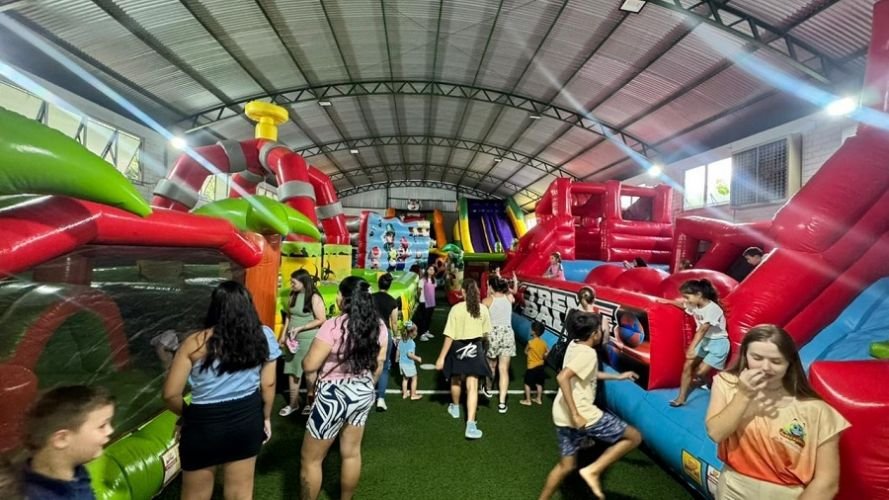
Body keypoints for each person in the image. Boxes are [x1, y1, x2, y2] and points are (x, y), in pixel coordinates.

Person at [163, 281, 280, 500]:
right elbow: (268, 385)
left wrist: (190, 416)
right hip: (247, 419)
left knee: (196, 496)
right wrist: (265, 418)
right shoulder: (263, 335)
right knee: (239, 493)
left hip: (203, 424)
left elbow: (170, 395)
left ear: (215, 307)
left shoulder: (194, 343)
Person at [706, 325, 850, 499]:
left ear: (789, 362)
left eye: (776, 361)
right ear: (745, 355)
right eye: (757, 358)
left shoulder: (817, 410)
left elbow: (827, 482)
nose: (765, 367)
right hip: (733, 487)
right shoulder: (727, 384)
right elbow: (716, 433)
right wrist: (743, 395)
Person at [300, 276, 388, 500]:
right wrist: (367, 386)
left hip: (333, 395)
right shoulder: (379, 326)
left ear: (346, 299)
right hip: (363, 391)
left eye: (339, 293)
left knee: (311, 460)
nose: (337, 298)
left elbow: (309, 365)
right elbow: (379, 364)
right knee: (351, 454)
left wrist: (311, 389)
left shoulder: (333, 325)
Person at [539, 313, 641, 500]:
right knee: (634, 437)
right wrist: (576, 414)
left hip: (561, 413)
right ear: (594, 334)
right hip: (582, 413)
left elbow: (586, 373)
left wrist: (618, 376)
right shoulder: (588, 354)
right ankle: (593, 471)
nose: (603, 333)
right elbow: (562, 377)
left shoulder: (574, 344)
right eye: (601, 330)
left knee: (566, 466)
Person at [22, 385, 114, 500]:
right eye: (102, 426)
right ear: (62, 438)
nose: (110, 431)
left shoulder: (76, 473)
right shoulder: (31, 496)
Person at [435, 279, 492, 439]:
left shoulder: (456, 309)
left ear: (463, 292)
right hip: (475, 347)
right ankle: (471, 425)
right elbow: (485, 334)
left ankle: (455, 408)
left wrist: (441, 357)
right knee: (472, 386)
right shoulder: (483, 309)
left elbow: (449, 336)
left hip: (458, 347)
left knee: (455, 379)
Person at [669, 279, 730, 407]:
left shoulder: (713, 309)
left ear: (699, 294)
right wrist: (667, 302)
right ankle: (681, 398)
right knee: (687, 367)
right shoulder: (694, 305)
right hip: (704, 341)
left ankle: (705, 380)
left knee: (699, 373)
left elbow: (702, 329)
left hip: (718, 343)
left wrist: (692, 348)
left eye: (687, 297)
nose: (685, 300)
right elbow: (684, 306)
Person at [280, 270, 327, 417]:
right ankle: (293, 403)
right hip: (293, 341)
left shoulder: (314, 297)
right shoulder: (292, 295)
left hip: (309, 340)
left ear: (303, 282)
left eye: (294, 282)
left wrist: (301, 328)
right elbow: (289, 316)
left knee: (309, 373)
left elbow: (321, 319)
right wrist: (283, 335)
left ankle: (309, 402)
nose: (291, 284)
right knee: (293, 372)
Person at [482, 277, 517, 413]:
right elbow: (511, 292)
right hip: (507, 333)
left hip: (493, 334)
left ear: (491, 287)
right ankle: (502, 403)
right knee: (503, 369)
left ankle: (488, 389)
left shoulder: (486, 301)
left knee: (491, 365)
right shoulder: (509, 298)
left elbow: (482, 318)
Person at [547, 286, 596, 372]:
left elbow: (567, 327)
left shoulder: (572, 312)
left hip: (570, 347)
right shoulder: (594, 318)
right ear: (592, 300)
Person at [372, 272, 400, 412]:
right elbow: (394, 322)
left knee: (368, 363)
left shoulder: (370, 298)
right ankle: (381, 399)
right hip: (385, 333)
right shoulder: (392, 301)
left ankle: (366, 394)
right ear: (389, 285)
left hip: (370, 332)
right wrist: (396, 336)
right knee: (384, 366)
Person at [521, 320, 549, 406]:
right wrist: (543, 356)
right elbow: (547, 352)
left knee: (527, 383)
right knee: (539, 383)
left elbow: (525, 351)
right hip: (541, 366)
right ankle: (538, 399)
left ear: (533, 332)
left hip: (531, 366)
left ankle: (528, 400)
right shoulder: (544, 343)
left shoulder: (531, 343)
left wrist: (530, 354)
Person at [398, 321, 422, 400]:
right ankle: (413, 395)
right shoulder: (412, 343)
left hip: (401, 363)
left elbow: (398, 351)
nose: (416, 333)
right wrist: (417, 358)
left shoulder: (401, 341)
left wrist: (396, 359)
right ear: (411, 333)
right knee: (414, 378)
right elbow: (409, 354)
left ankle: (405, 394)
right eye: (416, 331)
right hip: (409, 364)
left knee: (405, 379)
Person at [417, 265, 437, 341]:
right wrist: (419, 298)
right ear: (427, 270)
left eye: (433, 270)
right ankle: (422, 334)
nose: (431, 271)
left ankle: (426, 331)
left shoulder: (434, 280)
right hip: (424, 301)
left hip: (431, 302)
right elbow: (419, 291)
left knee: (429, 318)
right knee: (423, 318)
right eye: (430, 269)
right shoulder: (422, 280)